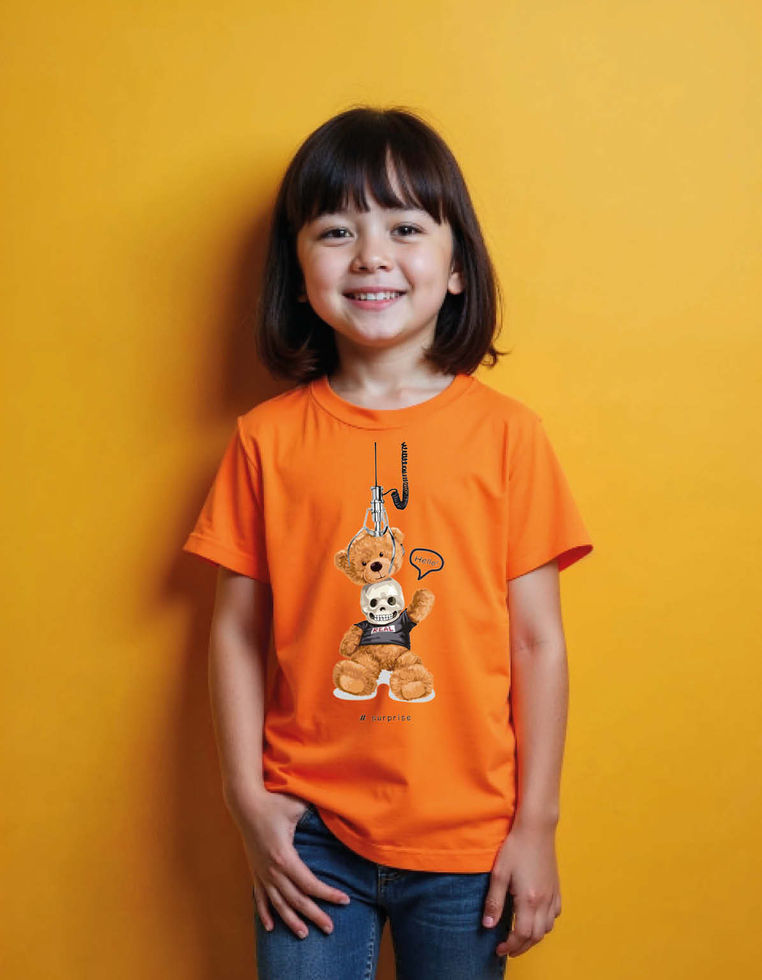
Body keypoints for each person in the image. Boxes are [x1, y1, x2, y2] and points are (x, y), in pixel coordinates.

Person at [182, 105, 594, 978]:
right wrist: (245, 800)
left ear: (457, 266)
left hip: (469, 840)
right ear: (298, 270)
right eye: (337, 231)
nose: (370, 254)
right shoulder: (264, 440)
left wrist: (536, 825)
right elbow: (235, 634)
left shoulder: (509, 437)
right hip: (308, 835)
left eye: (405, 227)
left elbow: (537, 641)